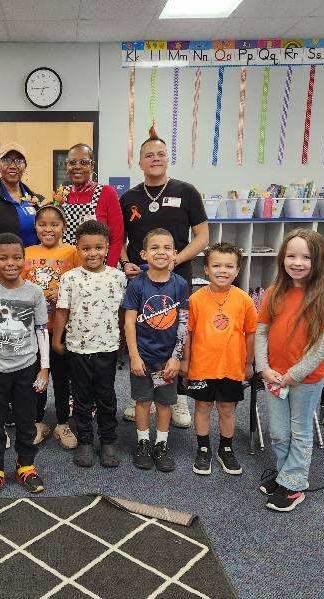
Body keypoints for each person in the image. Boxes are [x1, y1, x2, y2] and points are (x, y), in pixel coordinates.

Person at [119, 133, 209, 429]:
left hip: (177, 275)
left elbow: (203, 237)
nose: (155, 159)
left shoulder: (187, 192)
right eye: (149, 155)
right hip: (139, 279)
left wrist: (175, 261)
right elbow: (118, 239)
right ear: (140, 161)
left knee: (176, 333)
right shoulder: (129, 197)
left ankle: (178, 396)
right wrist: (125, 261)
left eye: (160, 154)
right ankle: (139, 394)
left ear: (166, 158)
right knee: (142, 331)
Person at [256, 229, 324, 512]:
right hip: (274, 377)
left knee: (299, 431)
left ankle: (294, 485)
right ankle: (284, 474)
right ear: (282, 259)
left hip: (305, 379)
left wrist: (295, 374)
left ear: (318, 261)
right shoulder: (274, 292)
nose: (298, 262)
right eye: (291, 255)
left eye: (306, 257)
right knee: (279, 432)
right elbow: (261, 333)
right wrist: (264, 368)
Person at [0, 233, 50, 498]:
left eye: (17, 257)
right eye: (3, 258)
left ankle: (25, 465)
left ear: (24, 260)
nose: (10, 263)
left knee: (26, 421)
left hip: (27, 369)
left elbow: (42, 332)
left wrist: (44, 368)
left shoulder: (34, 293)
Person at [53, 220, 128, 468]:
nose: (92, 253)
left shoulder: (118, 277)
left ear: (107, 248)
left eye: (98, 247)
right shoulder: (69, 278)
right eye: (86, 248)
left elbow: (123, 313)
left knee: (106, 396)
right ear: (77, 248)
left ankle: (108, 440)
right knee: (82, 397)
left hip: (107, 347)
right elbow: (62, 311)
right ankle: (85, 440)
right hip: (77, 348)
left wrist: (124, 341)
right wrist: (57, 338)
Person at [183, 242, 257, 477]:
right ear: (206, 269)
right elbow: (189, 333)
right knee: (202, 406)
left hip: (232, 366)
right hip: (202, 366)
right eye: (216, 265)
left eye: (229, 266)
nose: (222, 270)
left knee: (227, 408)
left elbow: (251, 333)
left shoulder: (244, 300)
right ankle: (203, 448)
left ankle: (226, 449)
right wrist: (185, 361)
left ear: (237, 271)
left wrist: (248, 364)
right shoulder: (195, 299)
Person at [123, 228, 189, 473]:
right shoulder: (136, 284)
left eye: (166, 248)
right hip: (143, 356)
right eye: (154, 247)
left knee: (163, 404)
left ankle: (161, 445)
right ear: (143, 253)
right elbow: (129, 322)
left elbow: (183, 323)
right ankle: (143, 442)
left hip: (166, 361)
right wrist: (134, 356)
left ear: (175, 253)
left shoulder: (180, 284)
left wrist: (176, 358)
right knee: (142, 401)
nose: (161, 252)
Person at [23, 204, 80, 448]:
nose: (48, 229)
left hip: (62, 327)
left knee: (62, 376)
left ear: (63, 227)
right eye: (43, 224)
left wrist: (64, 293)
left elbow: (81, 282)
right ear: (35, 227)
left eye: (54, 224)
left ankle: (63, 423)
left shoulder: (72, 252)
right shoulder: (25, 252)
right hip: (33, 328)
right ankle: (37, 421)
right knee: (37, 374)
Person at [58, 143, 124, 266]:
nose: (77, 167)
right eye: (72, 162)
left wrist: (108, 271)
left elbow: (116, 239)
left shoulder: (106, 192)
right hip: (68, 268)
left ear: (92, 165)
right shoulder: (62, 194)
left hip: (100, 269)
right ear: (66, 166)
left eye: (83, 162)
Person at [0, 143, 41, 248]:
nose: (13, 166)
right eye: (6, 160)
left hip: (33, 261)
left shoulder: (34, 199)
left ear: (25, 166)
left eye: (19, 161)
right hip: (3, 262)